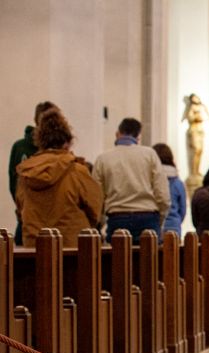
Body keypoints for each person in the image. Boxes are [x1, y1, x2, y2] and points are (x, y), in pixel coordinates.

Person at [14, 109, 102, 247]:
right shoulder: (77, 171)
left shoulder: (26, 173)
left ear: (40, 142)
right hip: (73, 248)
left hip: (36, 248)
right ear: (66, 143)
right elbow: (95, 207)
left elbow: (20, 210)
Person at [93, 118, 170, 242]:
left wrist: (102, 221)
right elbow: (162, 193)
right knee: (149, 260)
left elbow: (96, 196)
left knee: (119, 260)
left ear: (117, 133)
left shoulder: (103, 158)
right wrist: (160, 218)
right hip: (147, 216)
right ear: (138, 136)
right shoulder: (149, 155)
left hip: (117, 217)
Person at [8, 101, 57, 244]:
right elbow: (13, 184)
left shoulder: (56, 149)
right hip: (30, 216)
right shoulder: (20, 147)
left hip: (33, 216)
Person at [153, 144, 187, 238]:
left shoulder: (151, 180)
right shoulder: (178, 182)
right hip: (174, 226)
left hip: (155, 225)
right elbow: (182, 209)